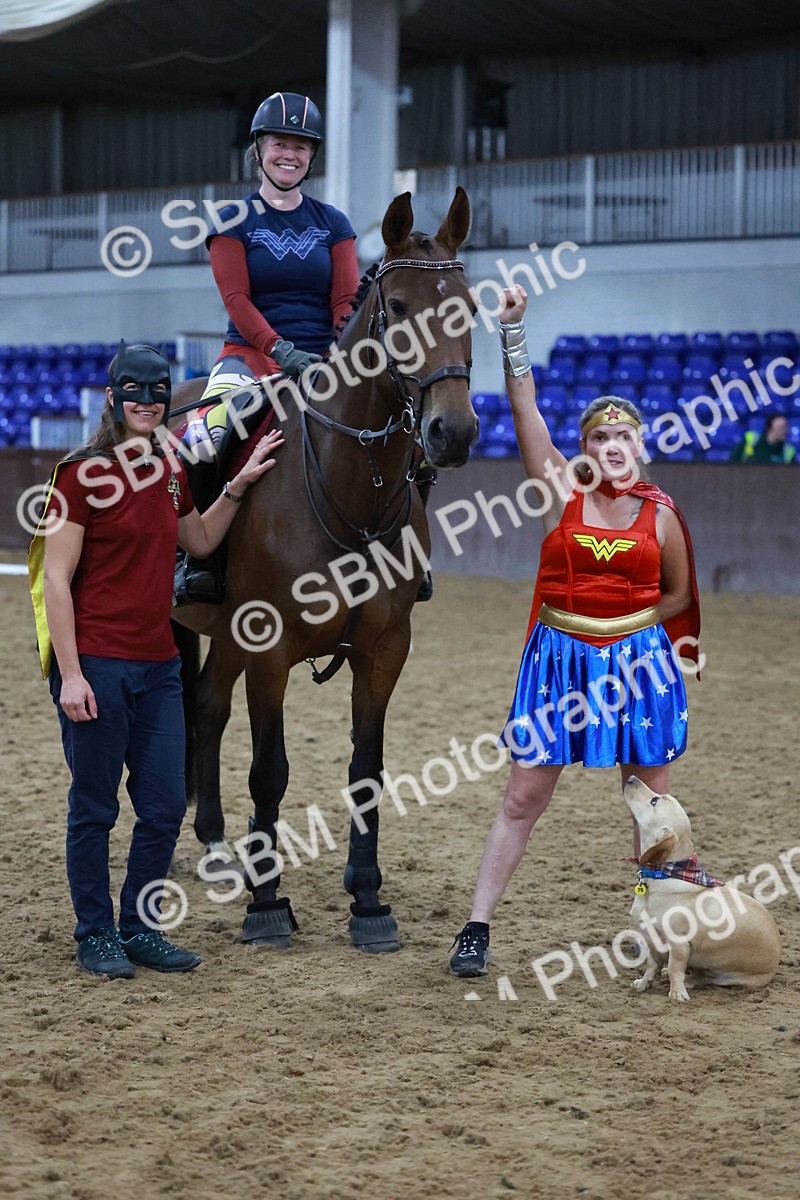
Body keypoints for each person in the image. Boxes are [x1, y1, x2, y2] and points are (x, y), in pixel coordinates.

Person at [449, 286, 701, 978]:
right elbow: (524, 408)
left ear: (640, 444)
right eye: (599, 437)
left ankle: (662, 930)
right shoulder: (562, 491)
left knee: (652, 810)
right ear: (584, 447)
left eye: (623, 437)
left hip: (639, 667)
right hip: (559, 663)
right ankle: (476, 927)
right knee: (522, 799)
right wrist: (513, 332)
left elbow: (678, 595)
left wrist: (630, 635)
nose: (612, 446)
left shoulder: (661, 514)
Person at [28, 343, 284, 980]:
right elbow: (56, 579)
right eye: (135, 391)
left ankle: (139, 928)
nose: (147, 401)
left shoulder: (171, 466)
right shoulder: (80, 475)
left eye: (158, 391)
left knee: (166, 806)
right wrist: (72, 675)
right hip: (97, 664)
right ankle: (96, 933)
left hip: (160, 667)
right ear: (112, 397)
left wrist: (238, 486)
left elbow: (199, 539)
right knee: (95, 808)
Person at [179, 90, 358, 597]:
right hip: (249, 358)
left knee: (395, 425)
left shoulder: (333, 223)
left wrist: (336, 356)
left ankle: (403, 551)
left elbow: (345, 301)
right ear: (259, 149)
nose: (290, 154)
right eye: (280, 143)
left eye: (301, 146)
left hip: (322, 362)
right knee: (202, 441)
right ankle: (194, 559)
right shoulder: (231, 221)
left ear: (312, 156)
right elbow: (236, 299)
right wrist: (280, 350)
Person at [729, 413, 796, 464]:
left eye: (786, 427)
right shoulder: (751, 440)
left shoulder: (788, 451)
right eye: (781, 427)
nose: (786, 431)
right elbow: (732, 462)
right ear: (769, 428)